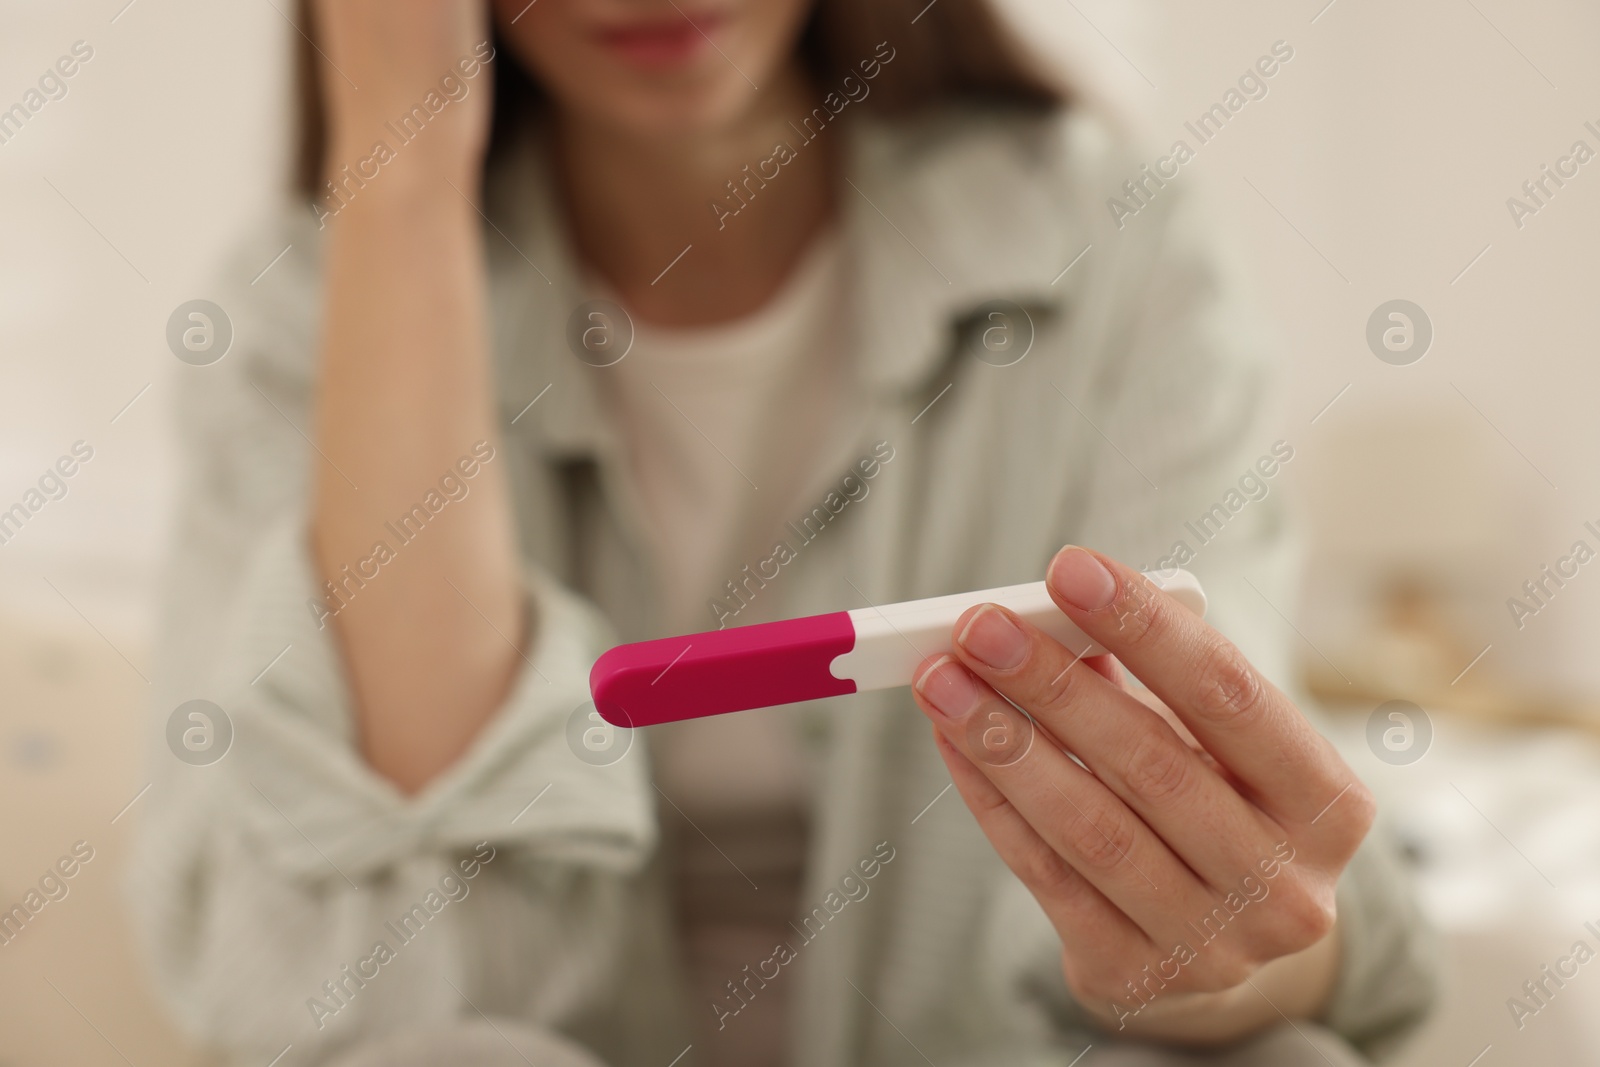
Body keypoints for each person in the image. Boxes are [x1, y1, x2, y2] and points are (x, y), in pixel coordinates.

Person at [130, 1, 1436, 1065]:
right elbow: (401, 992)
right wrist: (403, 164)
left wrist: (1234, 939)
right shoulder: (308, 318)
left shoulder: (1114, 249)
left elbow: (1262, 933)